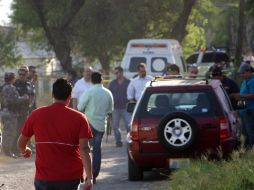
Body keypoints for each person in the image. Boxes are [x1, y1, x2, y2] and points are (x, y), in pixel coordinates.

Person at [17, 78, 93, 190]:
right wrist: (89, 177)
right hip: (70, 178)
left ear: (52, 95)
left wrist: (25, 150)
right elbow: (84, 149)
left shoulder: (36, 115)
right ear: (69, 97)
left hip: (44, 178)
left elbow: (21, 142)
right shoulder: (80, 118)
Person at [78, 72, 113, 184]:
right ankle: (94, 175)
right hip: (101, 126)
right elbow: (110, 110)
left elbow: (80, 107)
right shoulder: (108, 93)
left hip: (89, 124)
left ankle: (85, 174)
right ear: (102, 80)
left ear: (92, 81)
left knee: (84, 149)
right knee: (97, 150)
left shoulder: (89, 92)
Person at [0, 72, 29, 157]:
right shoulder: (11, 88)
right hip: (11, 112)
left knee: (6, 131)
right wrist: (24, 98)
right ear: (12, 79)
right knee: (10, 132)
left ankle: (5, 150)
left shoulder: (2, 87)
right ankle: (7, 151)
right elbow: (14, 100)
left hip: (4, 111)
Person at [232, 63, 254, 150]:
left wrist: (241, 96)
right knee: (244, 132)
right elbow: (242, 94)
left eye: (243, 73)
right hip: (244, 110)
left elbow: (252, 95)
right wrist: (239, 109)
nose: (241, 75)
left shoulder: (252, 81)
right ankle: (246, 148)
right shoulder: (245, 81)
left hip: (250, 110)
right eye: (240, 73)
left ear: (248, 71)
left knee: (250, 131)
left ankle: (249, 149)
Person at [108, 66, 130, 147]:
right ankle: (118, 141)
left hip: (126, 107)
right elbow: (109, 95)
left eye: (117, 73)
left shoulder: (128, 82)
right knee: (115, 126)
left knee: (128, 125)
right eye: (115, 73)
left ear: (121, 72)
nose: (116, 74)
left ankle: (129, 140)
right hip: (115, 108)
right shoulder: (112, 83)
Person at [14, 67, 33, 154]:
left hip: (26, 111)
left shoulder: (29, 84)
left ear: (27, 74)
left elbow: (32, 95)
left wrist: (31, 104)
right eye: (20, 74)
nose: (21, 76)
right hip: (17, 112)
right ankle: (16, 149)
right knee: (18, 131)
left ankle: (26, 147)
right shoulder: (15, 84)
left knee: (26, 130)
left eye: (23, 74)